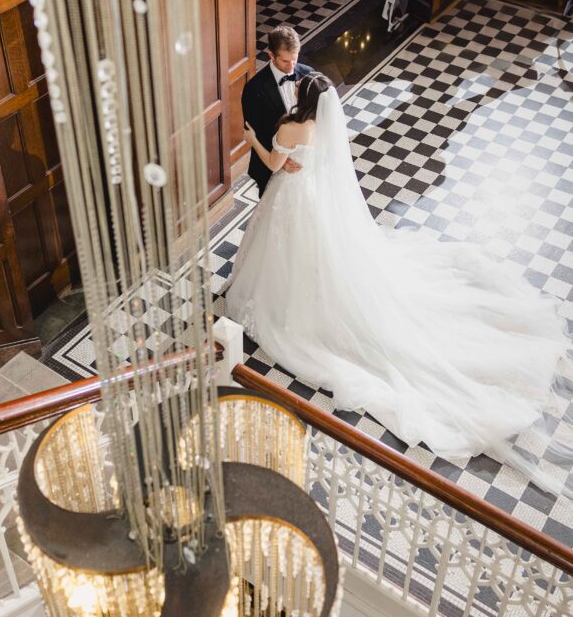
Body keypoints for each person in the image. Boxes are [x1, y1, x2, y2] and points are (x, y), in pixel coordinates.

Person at [226, 73, 570, 495]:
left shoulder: (288, 127)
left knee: (285, 259)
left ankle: (282, 305)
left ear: (304, 96)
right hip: (311, 200)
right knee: (311, 260)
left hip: (289, 199)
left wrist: (252, 140)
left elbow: (275, 164)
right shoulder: (318, 127)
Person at [242, 24, 314, 197]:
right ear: (271, 55)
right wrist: (280, 161)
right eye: (285, 61)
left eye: (294, 59)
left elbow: (318, 117)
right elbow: (255, 131)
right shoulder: (254, 88)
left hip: (307, 163)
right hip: (273, 166)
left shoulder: (309, 74)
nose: (291, 66)